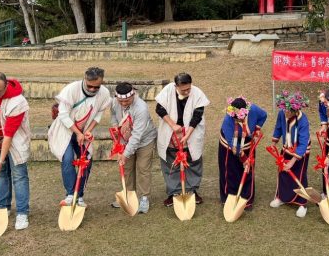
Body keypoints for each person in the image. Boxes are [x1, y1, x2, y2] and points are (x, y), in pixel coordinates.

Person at [48, 67, 111, 207]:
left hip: (83, 131)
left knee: (86, 160)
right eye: (90, 86)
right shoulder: (71, 89)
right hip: (65, 130)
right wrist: (77, 133)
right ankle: (71, 194)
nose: (93, 89)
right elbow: (63, 114)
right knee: (68, 159)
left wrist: (88, 131)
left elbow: (98, 114)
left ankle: (80, 195)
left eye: (97, 87)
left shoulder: (104, 93)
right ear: (84, 79)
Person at [155, 73, 210, 207]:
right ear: (176, 86)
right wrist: (173, 125)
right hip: (171, 130)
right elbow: (159, 109)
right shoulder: (168, 90)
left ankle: (192, 191)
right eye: (183, 90)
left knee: (193, 161)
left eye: (188, 89)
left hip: (191, 131)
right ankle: (174, 192)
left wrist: (188, 134)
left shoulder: (197, 93)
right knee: (171, 162)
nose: (186, 92)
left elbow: (197, 115)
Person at [0, 72, 31, 230]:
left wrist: (0, 160)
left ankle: (22, 213)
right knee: (0, 174)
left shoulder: (17, 102)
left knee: (19, 176)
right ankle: (2, 207)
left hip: (15, 142)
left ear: (6, 85)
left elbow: (9, 134)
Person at [110, 82, 157, 214]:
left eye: (127, 101)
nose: (124, 103)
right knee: (127, 168)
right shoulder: (114, 102)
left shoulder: (141, 108)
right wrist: (115, 126)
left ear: (133, 95)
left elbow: (137, 136)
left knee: (143, 168)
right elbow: (113, 115)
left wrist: (125, 154)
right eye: (121, 101)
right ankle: (129, 195)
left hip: (144, 140)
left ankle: (144, 198)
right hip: (125, 139)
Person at [218, 96, 267, 210]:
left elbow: (263, 115)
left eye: (239, 118)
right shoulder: (228, 120)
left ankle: (246, 198)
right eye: (235, 118)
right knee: (231, 171)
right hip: (230, 146)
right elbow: (232, 143)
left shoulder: (253, 109)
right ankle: (229, 197)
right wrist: (244, 158)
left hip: (248, 143)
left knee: (248, 170)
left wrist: (257, 129)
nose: (237, 120)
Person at [270, 90, 310, 218]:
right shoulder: (282, 113)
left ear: (296, 110)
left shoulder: (303, 121)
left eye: (289, 111)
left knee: (299, 176)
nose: (286, 113)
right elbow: (278, 127)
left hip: (300, 152)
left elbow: (303, 143)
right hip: (286, 148)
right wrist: (274, 143)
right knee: (283, 173)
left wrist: (292, 162)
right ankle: (282, 197)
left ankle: (302, 204)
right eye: (285, 110)